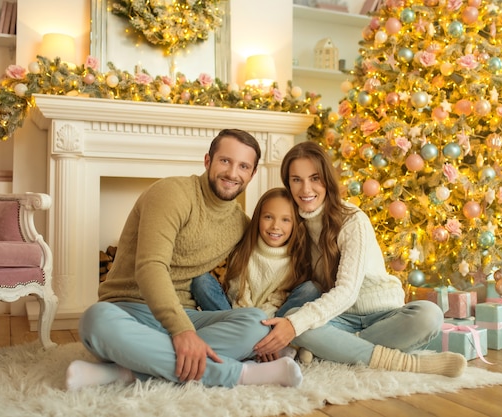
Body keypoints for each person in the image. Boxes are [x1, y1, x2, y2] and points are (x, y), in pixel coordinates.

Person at [66, 129, 303, 390]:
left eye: (243, 166)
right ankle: (241, 374)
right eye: (225, 161)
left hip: (189, 315)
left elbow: (280, 247)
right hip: (129, 310)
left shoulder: (241, 225)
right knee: (95, 321)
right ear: (207, 161)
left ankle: (125, 371)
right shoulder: (171, 193)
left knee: (256, 324)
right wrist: (182, 332)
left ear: (252, 174)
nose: (233, 173)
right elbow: (150, 267)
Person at [253, 141, 467, 378]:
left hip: (383, 315)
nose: (306, 189)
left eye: (315, 178)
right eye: (296, 180)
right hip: (339, 319)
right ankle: (404, 363)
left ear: (327, 179)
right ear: (288, 183)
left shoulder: (353, 220)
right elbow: (286, 284)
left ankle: (340, 348)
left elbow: (347, 291)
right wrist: (283, 321)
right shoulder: (291, 223)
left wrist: (294, 326)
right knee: (296, 319)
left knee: (430, 315)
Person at [191, 187, 321, 359]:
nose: (275, 226)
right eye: (268, 217)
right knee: (201, 281)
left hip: (273, 320)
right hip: (238, 314)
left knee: (311, 289)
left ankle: (268, 342)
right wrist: (252, 323)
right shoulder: (244, 249)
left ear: (295, 223)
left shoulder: (297, 258)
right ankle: (257, 346)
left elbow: (280, 301)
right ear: (258, 218)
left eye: (285, 220)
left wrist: (263, 329)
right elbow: (238, 293)